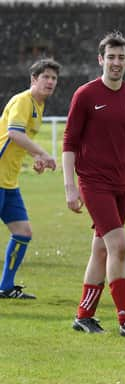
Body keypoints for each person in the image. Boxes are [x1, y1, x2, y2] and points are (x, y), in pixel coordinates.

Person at [62, 31, 125, 338]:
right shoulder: (86, 95)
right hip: (93, 182)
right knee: (118, 246)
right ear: (100, 60)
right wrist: (70, 186)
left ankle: (84, 315)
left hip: (124, 182)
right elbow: (69, 143)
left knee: (102, 250)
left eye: (121, 58)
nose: (116, 62)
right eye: (111, 57)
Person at [0, 58, 60, 299]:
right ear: (33, 79)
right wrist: (42, 153)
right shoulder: (23, 101)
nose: (50, 82)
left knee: (23, 232)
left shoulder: (39, 106)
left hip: (9, 182)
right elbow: (13, 133)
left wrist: (35, 158)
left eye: (54, 78)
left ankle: (5, 287)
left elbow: (16, 138)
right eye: (45, 77)